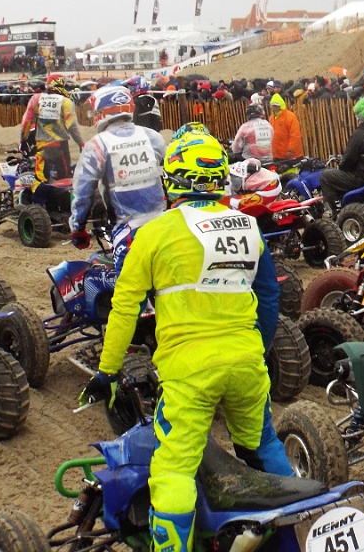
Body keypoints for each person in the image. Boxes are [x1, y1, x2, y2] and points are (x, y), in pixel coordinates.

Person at [79, 132, 292, 552]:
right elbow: (269, 295)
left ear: (171, 180)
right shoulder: (249, 226)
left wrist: (106, 371)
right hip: (246, 362)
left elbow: (124, 308)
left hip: (190, 371)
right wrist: (257, 348)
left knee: (174, 468)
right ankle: (292, 537)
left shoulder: (155, 234)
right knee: (264, 446)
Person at [69, 86, 166, 275]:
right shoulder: (153, 137)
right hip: (163, 224)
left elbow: (82, 192)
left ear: (101, 112)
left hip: (127, 229)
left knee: (128, 292)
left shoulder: (97, 144)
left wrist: (78, 228)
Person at [318, 97, 364, 212]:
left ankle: (334, 211)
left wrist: (341, 165)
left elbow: (348, 161)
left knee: (326, 176)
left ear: (359, 118)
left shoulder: (360, 133)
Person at [19, 72, 85, 190]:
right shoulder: (66, 102)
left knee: (40, 180)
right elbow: (72, 127)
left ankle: (36, 204)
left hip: (41, 146)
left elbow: (26, 122)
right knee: (64, 179)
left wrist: (23, 141)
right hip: (60, 146)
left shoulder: (36, 99)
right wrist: (81, 143)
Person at [268, 93, 302, 161]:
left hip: (291, 155)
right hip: (277, 154)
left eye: (276, 106)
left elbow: (295, 135)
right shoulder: (271, 117)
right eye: (273, 106)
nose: (274, 108)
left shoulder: (290, 117)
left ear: (281, 105)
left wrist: (291, 150)